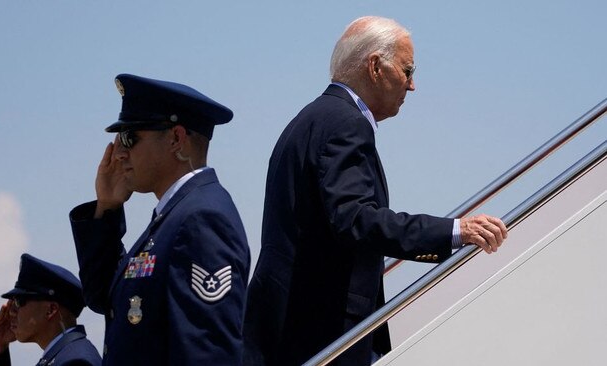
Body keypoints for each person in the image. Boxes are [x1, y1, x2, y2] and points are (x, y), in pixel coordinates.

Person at [243, 16, 508, 365]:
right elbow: (357, 219)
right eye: (407, 70)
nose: (412, 86)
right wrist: (457, 230)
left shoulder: (313, 118)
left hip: (293, 329)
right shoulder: (345, 123)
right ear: (375, 67)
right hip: (320, 334)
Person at [69, 73, 250, 365]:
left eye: (129, 137)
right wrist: (107, 208)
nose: (120, 154)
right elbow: (105, 298)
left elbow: (205, 353)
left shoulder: (201, 219)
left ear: (176, 139)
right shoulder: (174, 216)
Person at [0, 253, 101, 366]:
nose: (11, 311)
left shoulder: (75, 361)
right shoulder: (64, 355)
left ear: (51, 310)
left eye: (19, 301)